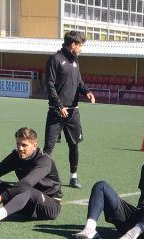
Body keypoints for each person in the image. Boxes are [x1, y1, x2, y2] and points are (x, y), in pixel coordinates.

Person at [44, 30, 96, 189]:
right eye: (80, 45)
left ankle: (73, 177)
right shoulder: (55, 59)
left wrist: (87, 91)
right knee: (48, 147)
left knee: (74, 145)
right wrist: (59, 106)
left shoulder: (75, 62)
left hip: (73, 112)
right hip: (56, 111)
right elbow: (50, 85)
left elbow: (79, 82)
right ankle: (41, 177)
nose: (81, 49)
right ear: (73, 45)